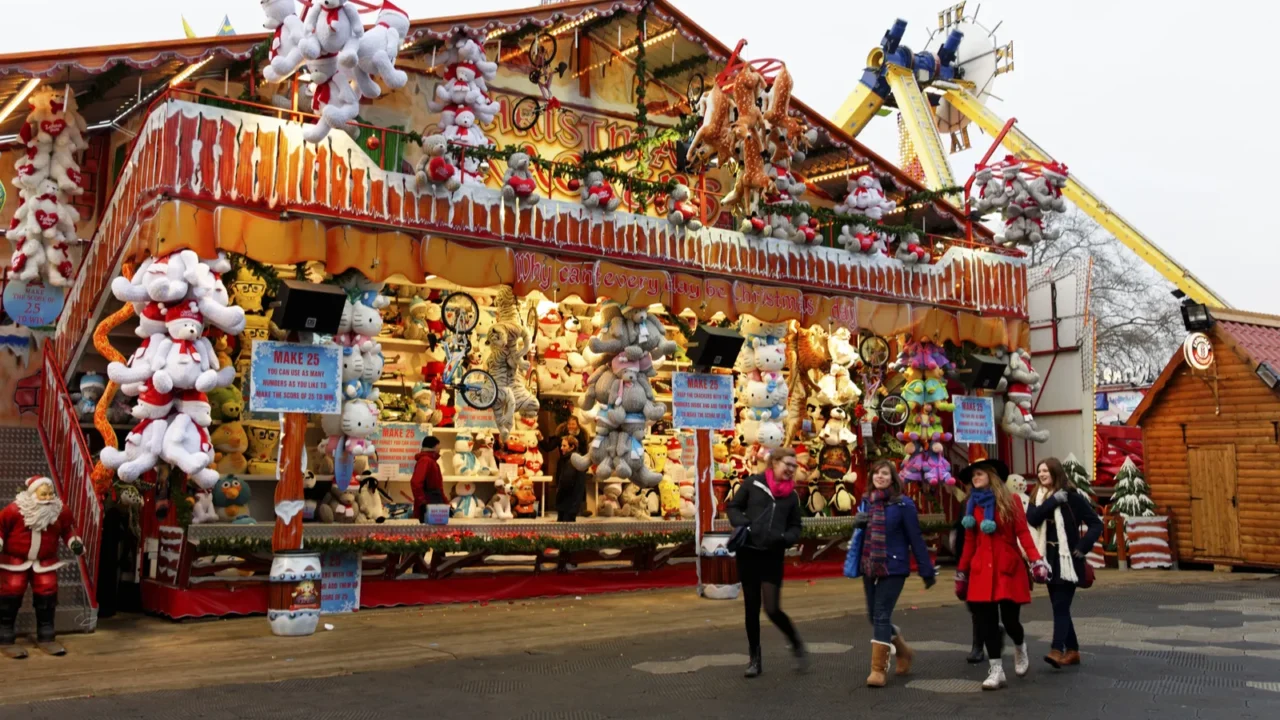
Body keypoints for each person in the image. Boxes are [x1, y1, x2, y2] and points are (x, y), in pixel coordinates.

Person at [955, 458, 1050, 690]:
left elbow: (1023, 534)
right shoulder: (971, 505)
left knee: (1010, 621)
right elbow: (969, 541)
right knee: (986, 622)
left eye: (979, 474)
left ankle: (1020, 646)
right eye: (972, 476)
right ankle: (996, 670)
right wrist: (962, 572)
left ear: (991, 475)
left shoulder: (1012, 501)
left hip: (1008, 567)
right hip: (980, 569)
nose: (974, 478)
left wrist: (1036, 560)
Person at [847, 460, 937, 687]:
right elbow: (861, 536)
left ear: (893, 478)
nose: (880, 477)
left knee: (880, 615)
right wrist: (857, 524)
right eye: (876, 473)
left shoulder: (903, 505)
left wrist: (926, 570)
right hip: (870, 565)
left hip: (894, 567)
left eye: (885, 473)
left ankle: (878, 670)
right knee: (874, 616)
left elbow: (915, 538)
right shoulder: (867, 502)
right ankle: (904, 651)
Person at [727, 447, 806, 678]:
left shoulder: (791, 496)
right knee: (751, 609)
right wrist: (744, 524)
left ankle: (795, 642)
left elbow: (796, 527)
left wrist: (785, 539)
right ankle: (755, 659)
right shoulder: (753, 484)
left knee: (772, 608)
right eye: (788, 465)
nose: (791, 470)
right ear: (774, 463)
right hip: (748, 554)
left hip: (772, 556)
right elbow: (733, 506)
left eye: (794, 466)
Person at [1025, 457, 1103, 669]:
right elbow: (1031, 519)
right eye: (1039, 471)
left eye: (1046, 471)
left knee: (1060, 606)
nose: (1041, 475)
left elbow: (1096, 524)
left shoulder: (1072, 497)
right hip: (1047, 560)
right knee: (1060, 607)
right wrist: (1052, 501)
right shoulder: (1038, 496)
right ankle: (1073, 651)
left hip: (1069, 559)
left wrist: (1082, 547)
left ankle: (1057, 649)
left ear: (1056, 473)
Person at [538, 416, 592, 515]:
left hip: (578, 465)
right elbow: (548, 447)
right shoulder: (561, 436)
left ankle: (581, 509)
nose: (571, 426)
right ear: (567, 425)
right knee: (562, 486)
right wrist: (541, 439)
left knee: (579, 487)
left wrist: (585, 466)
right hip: (564, 465)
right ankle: (562, 509)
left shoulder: (582, 437)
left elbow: (585, 453)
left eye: (573, 424)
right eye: (569, 424)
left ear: (577, 425)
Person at [408, 436, 445, 522]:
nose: (440, 448)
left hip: (433, 504)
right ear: (434, 447)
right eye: (438, 445)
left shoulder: (431, 461)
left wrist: (446, 504)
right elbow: (416, 482)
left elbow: (439, 488)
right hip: (429, 505)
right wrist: (422, 503)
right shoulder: (426, 461)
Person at [553, 436, 589, 522]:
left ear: (572, 447)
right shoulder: (575, 460)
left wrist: (558, 493)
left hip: (567, 503)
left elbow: (566, 482)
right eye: (561, 445)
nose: (561, 448)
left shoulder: (571, 461)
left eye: (564, 446)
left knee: (565, 530)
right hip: (570, 504)